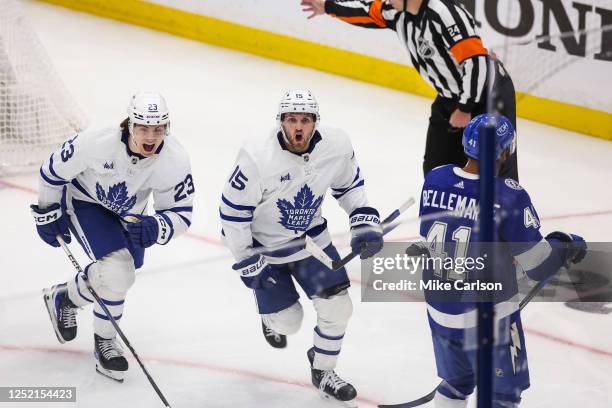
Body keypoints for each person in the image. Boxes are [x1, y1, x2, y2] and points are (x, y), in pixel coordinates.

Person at [219, 89, 383, 406]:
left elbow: (349, 186)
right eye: (291, 119)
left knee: (338, 307)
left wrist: (362, 220)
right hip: (263, 248)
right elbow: (232, 214)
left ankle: (323, 371)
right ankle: (270, 317)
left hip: (310, 241)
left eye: (305, 120)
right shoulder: (256, 155)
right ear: (281, 122)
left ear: (315, 123)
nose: (298, 127)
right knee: (288, 322)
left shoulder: (336, 145)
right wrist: (246, 261)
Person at [416, 113, 585, 407]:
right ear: (504, 151)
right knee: (503, 395)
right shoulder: (508, 195)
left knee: (457, 382)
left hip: (438, 309)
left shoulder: (436, 177)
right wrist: (565, 245)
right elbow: (539, 265)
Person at [32, 91, 194, 382]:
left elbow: (181, 213)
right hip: (85, 203)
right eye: (144, 127)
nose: (151, 136)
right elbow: (52, 171)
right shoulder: (96, 143)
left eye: (158, 129)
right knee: (118, 272)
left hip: (130, 213)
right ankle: (105, 344)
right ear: (129, 125)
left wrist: (157, 226)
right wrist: (47, 210)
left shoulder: (174, 159)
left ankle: (65, 297)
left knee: (119, 274)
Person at [301, 0, 518, 180]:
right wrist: (328, 6)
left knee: (494, 170)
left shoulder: (445, 14)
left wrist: (465, 107)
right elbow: (367, 11)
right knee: (435, 168)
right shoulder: (396, 11)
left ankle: (504, 228)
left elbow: (475, 62)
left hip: (488, 95)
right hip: (451, 97)